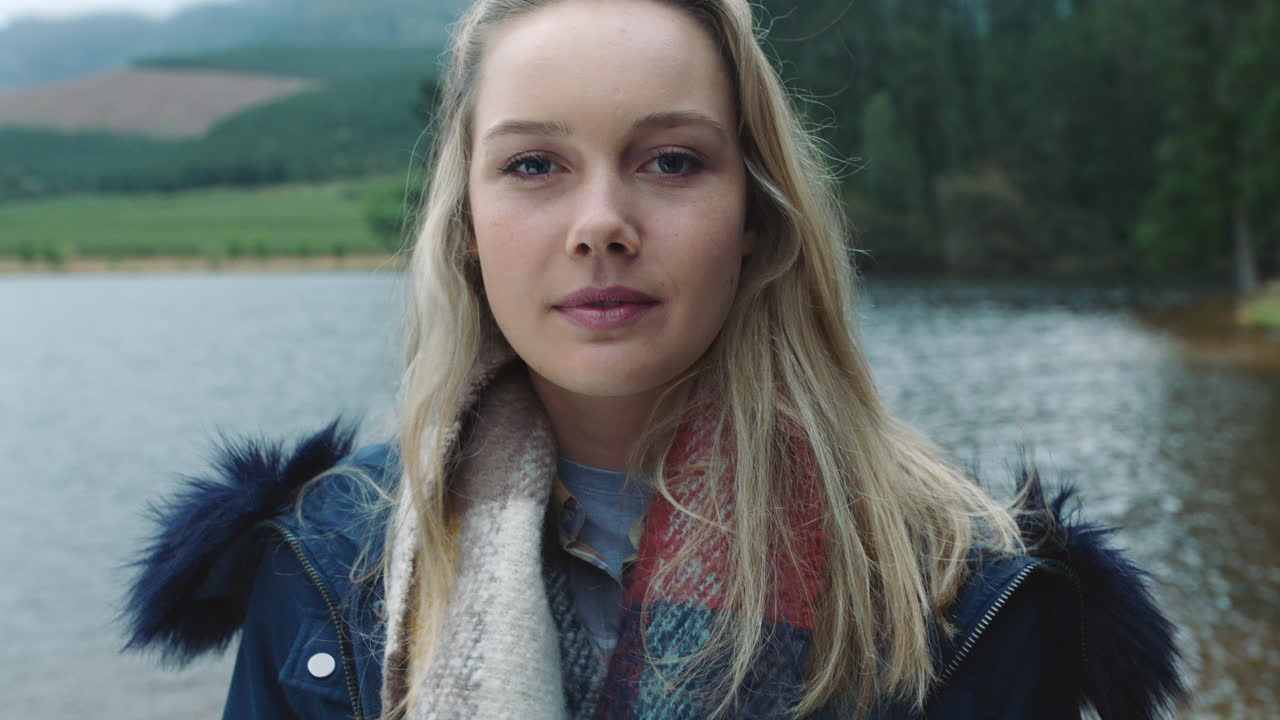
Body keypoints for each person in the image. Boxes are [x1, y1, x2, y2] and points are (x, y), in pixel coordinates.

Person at [123, 0, 1187, 718]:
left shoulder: (957, 586)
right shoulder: (321, 565)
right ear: (465, 229)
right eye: (534, 164)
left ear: (758, 222)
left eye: (669, 161)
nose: (599, 223)